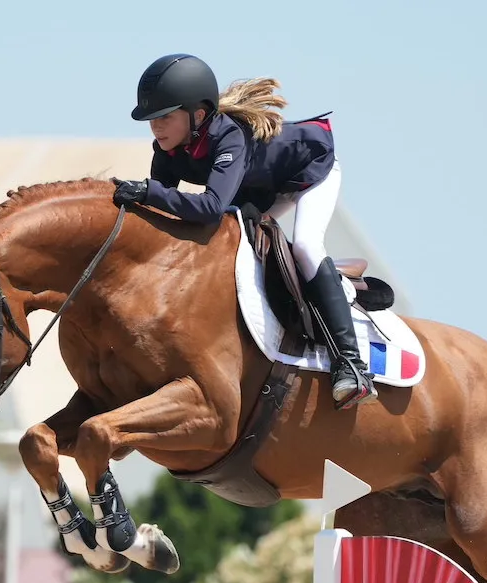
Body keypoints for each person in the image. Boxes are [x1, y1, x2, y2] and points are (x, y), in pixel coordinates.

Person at [110, 53, 378, 410]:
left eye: (165, 117)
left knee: (306, 247)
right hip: (257, 188)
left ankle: (351, 364)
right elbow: (162, 212)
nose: (156, 127)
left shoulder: (228, 137)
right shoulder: (168, 149)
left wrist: (147, 190)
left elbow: (208, 208)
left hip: (309, 172)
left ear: (199, 115)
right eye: (152, 120)